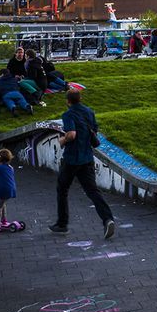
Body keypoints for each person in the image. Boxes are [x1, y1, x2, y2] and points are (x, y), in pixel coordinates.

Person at [50, 89, 116, 239]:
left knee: (62, 189)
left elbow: (72, 134)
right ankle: (108, 219)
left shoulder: (68, 114)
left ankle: (62, 224)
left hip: (72, 158)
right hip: (87, 158)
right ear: (80, 99)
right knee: (92, 191)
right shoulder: (89, 112)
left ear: (68, 101)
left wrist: (62, 140)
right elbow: (95, 130)